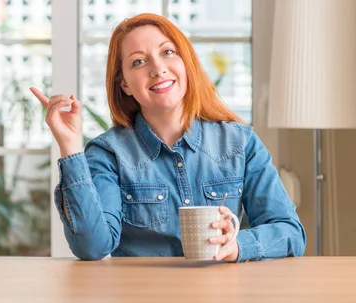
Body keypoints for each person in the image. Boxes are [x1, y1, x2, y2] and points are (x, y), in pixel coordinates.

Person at [30, 13, 306, 262]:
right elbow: (92, 247)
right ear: (124, 83)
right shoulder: (108, 153)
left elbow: (290, 232)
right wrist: (70, 146)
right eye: (139, 61)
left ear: (186, 63)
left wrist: (235, 245)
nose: (157, 68)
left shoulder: (240, 142)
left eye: (168, 52)